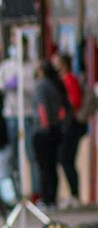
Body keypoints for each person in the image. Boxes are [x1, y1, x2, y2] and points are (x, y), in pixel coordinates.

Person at [0, 37, 37, 202]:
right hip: (11, 115)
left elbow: (35, 89)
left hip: (28, 115)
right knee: (13, 157)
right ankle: (15, 193)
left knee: (31, 154)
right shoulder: (7, 66)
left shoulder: (31, 67)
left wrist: (22, 86)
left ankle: (35, 192)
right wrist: (6, 86)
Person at [32, 60, 72, 211]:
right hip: (56, 129)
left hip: (44, 130)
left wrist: (44, 125)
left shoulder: (42, 86)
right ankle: (52, 198)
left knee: (44, 166)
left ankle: (46, 198)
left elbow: (41, 107)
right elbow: (64, 108)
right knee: (52, 166)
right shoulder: (56, 85)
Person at [53, 53, 84, 208]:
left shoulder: (69, 79)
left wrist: (63, 113)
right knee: (65, 159)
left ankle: (75, 194)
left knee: (67, 159)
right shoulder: (63, 80)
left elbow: (74, 101)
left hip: (71, 126)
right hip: (66, 125)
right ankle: (73, 194)